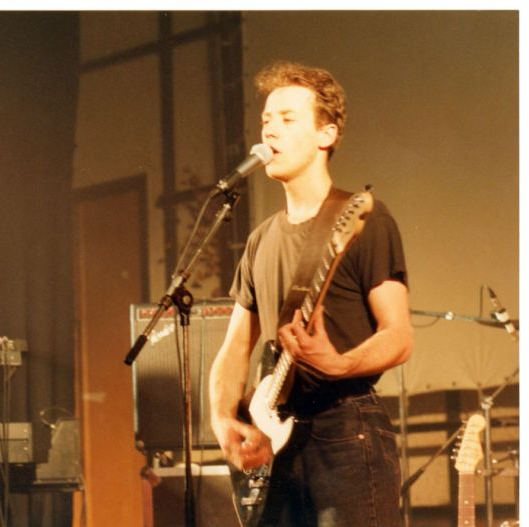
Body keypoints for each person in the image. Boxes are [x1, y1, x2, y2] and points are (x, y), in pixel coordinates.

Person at [209, 61, 413, 526]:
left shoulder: (363, 219)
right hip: (275, 438)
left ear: (327, 134)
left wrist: (339, 364)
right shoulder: (260, 240)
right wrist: (222, 419)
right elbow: (235, 347)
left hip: (345, 430)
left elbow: (400, 336)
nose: (269, 131)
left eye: (287, 119)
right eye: (266, 120)